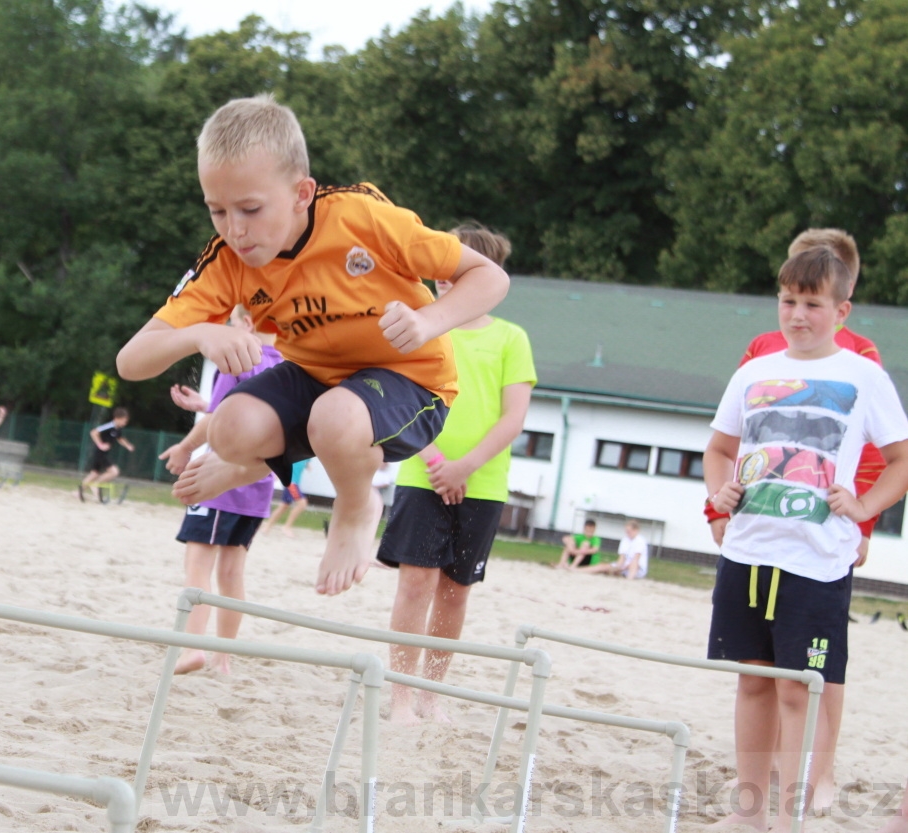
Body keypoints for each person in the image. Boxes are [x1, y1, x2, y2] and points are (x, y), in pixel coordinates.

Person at [115, 94, 511, 596]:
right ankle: (248, 464)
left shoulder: (361, 218)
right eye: (217, 210)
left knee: (335, 417)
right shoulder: (228, 260)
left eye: (251, 209)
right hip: (319, 378)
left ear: (302, 193)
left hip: (414, 382)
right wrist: (198, 333)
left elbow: (489, 277)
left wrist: (431, 319)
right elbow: (130, 362)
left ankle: (355, 506)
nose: (235, 229)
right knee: (228, 427)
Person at [703, 247, 908, 830]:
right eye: (788, 300)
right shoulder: (752, 372)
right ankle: (751, 813)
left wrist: (864, 506)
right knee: (752, 683)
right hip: (747, 551)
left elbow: (901, 458)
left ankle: (792, 814)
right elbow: (719, 449)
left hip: (816, 562)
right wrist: (720, 495)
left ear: (841, 310)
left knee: (799, 691)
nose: (797, 314)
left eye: (812, 304)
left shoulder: (864, 375)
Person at [375, 222, 535, 724]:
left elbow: (513, 417)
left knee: (455, 589)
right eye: (444, 265)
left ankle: (431, 695)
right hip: (424, 474)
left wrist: (465, 466)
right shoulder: (421, 324)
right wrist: (436, 461)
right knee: (415, 584)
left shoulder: (511, 338)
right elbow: (398, 399)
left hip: (482, 481)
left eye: (461, 267)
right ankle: (400, 694)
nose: (448, 275)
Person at [160, 306, 283, 674]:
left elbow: (218, 418)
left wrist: (183, 448)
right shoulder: (285, 366)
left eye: (230, 323)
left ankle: (192, 648)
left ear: (247, 324)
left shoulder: (239, 360)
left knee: (198, 561)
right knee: (233, 572)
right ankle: (223, 658)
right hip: (258, 483)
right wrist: (205, 404)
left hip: (220, 477)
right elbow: (234, 411)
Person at [80, 407, 135, 502]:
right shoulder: (109, 426)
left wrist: (128, 445)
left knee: (94, 474)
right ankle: (96, 485)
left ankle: (79, 493)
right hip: (100, 453)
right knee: (114, 472)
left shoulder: (118, 429)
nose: (125, 423)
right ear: (117, 418)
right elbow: (93, 432)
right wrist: (100, 444)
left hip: (103, 454)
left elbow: (120, 439)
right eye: (124, 421)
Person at [574, 519, 648, 579]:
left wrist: (622, 567)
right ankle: (577, 570)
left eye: (629, 531)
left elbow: (636, 559)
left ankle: (629, 580)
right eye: (627, 531)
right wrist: (617, 567)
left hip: (637, 569)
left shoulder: (640, 541)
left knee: (634, 564)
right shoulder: (625, 540)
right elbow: (622, 558)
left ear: (636, 530)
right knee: (603, 566)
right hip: (624, 566)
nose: (627, 533)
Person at [259, 459, 311, 537]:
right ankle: (286, 527)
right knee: (302, 504)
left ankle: (267, 527)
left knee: (283, 506)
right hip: (291, 483)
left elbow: (306, 463)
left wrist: (308, 466)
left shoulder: (307, 456)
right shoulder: (294, 450)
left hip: (294, 482)